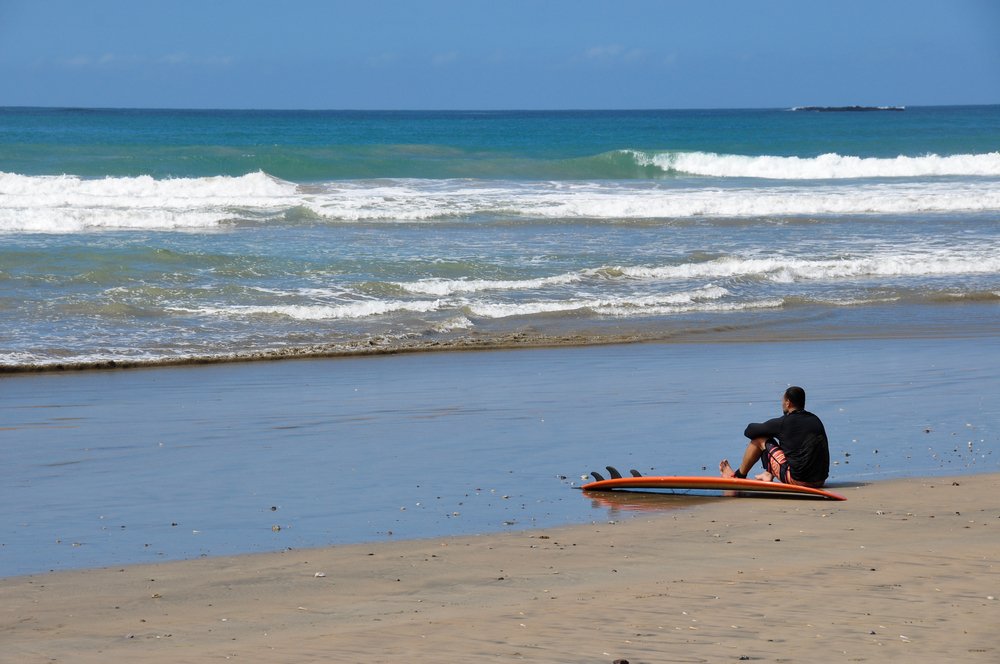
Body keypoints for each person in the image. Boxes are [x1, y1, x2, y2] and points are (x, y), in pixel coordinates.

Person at [719, 386, 830, 487]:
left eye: (783, 401)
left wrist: (768, 429)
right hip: (820, 479)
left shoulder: (784, 423)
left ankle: (738, 476)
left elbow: (749, 431)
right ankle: (768, 474)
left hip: (800, 480)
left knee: (759, 440)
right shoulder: (815, 419)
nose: (782, 404)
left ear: (788, 403)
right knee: (790, 444)